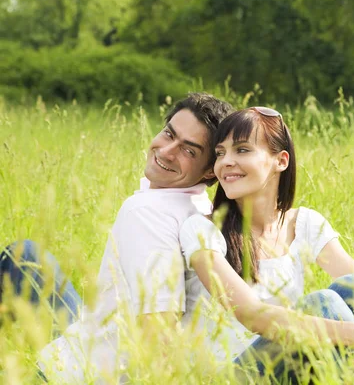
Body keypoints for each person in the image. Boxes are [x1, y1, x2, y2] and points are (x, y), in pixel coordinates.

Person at [0, 93, 235, 382]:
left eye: (189, 151)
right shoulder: (201, 209)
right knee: (23, 254)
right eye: (169, 134)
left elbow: (158, 335)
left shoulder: (147, 213)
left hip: (75, 373)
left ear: (211, 170)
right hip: (99, 337)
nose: (166, 151)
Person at [179, 107, 354, 383]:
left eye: (241, 150)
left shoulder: (304, 224)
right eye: (220, 153)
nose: (226, 161)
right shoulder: (202, 229)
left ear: (281, 160)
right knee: (324, 303)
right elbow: (252, 315)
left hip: (290, 370)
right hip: (233, 375)